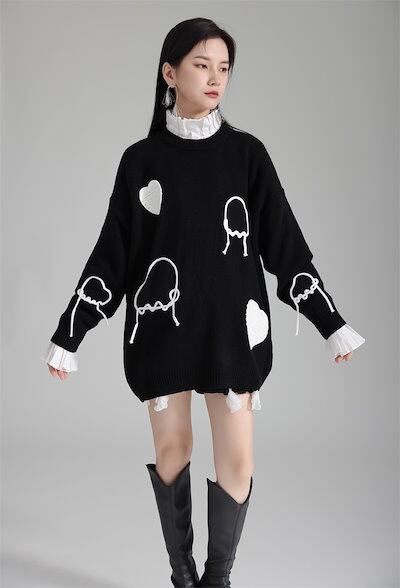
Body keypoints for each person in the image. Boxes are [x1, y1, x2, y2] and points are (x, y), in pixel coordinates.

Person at [41, 17, 365, 588]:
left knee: (237, 460)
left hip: (232, 332)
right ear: (170, 73)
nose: (216, 78)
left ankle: (217, 580)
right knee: (174, 448)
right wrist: (70, 334)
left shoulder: (247, 155)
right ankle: (183, 576)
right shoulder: (140, 161)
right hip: (161, 333)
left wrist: (330, 323)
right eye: (201, 65)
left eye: (224, 68)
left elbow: (284, 246)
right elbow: (113, 257)